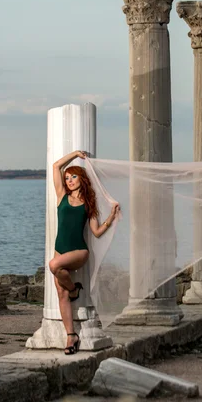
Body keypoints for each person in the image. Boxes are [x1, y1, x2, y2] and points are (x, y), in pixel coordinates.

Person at [48, 150, 120, 355]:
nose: (69, 181)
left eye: (73, 176)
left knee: (54, 266)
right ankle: (71, 336)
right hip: (59, 250)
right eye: (67, 178)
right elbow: (55, 166)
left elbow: (96, 232)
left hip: (79, 251)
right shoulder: (62, 196)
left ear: (82, 178)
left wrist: (112, 216)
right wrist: (75, 154)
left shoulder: (89, 204)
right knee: (60, 292)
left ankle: (74, 290)